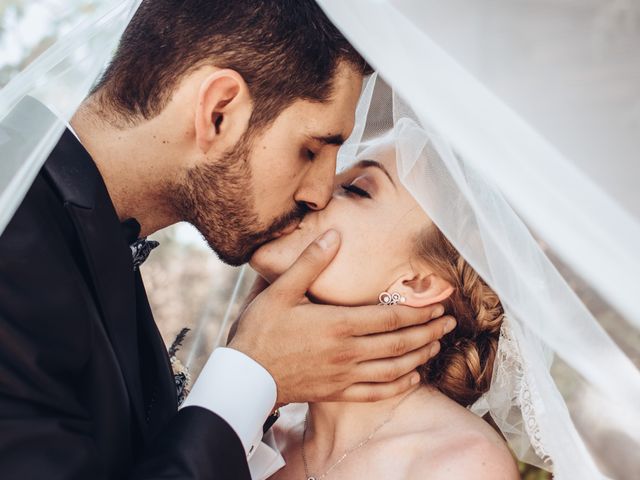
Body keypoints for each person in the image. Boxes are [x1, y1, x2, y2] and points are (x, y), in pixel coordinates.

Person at [0, 1, 454, 479]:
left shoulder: (76, 238)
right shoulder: (14, 251)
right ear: (219, 112)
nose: (320, 192)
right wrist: (252, 374)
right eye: (312, 148)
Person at [249, 132, 520, 479]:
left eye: (357, 188)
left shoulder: (459, 464)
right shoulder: (258, 431)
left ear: (416, 283)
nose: (313, 192)